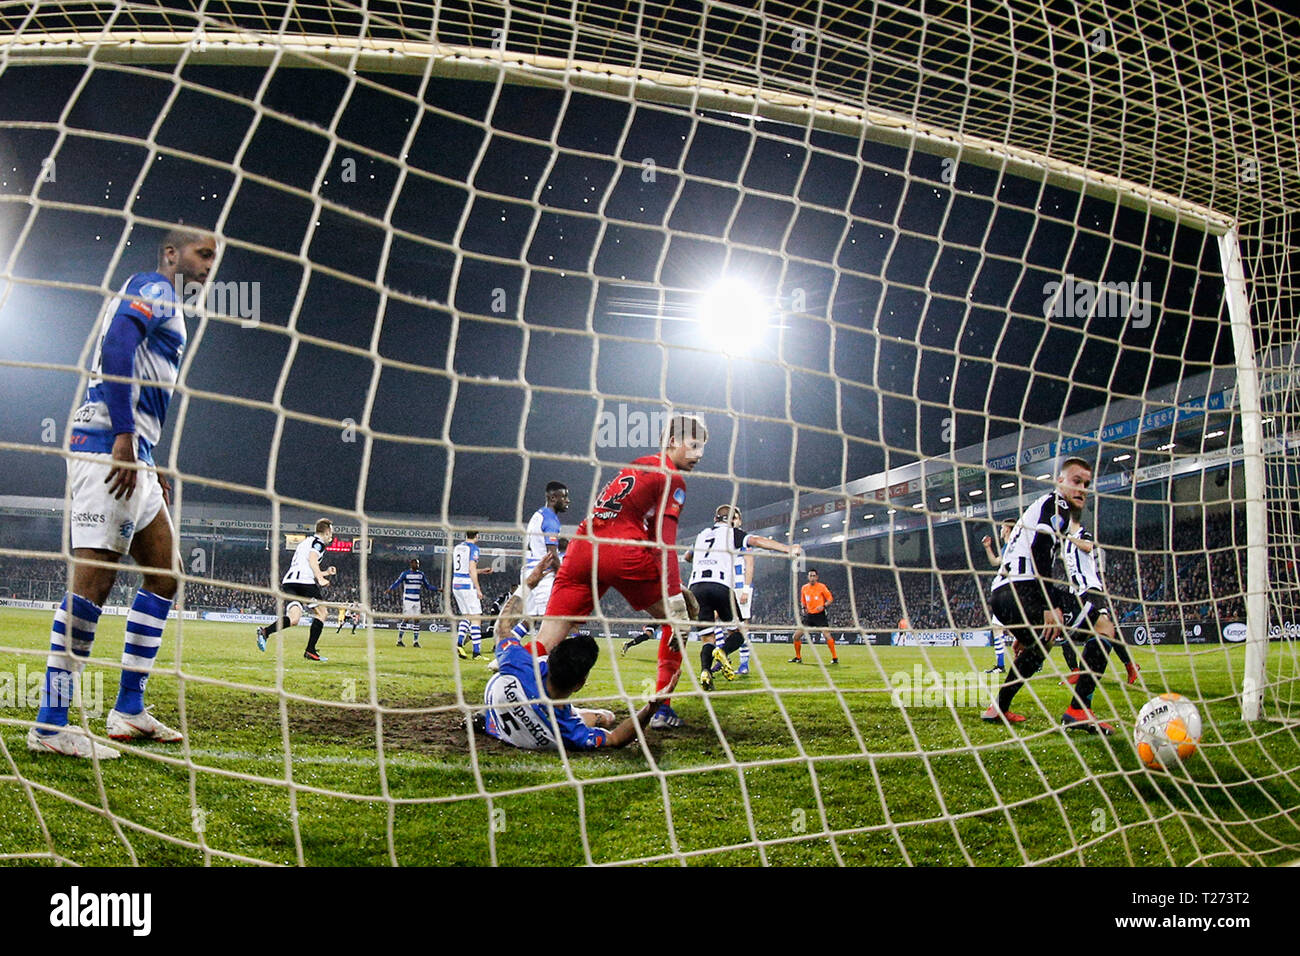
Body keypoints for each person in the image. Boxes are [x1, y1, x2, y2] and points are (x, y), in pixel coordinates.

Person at [30, 226, 216, 759]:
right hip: (106, 446)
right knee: (94, 583)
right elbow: (117, 344)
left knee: (165, 573)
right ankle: (49, 724)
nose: (208, 265)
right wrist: (125, 437)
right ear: (170, 254)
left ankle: (128, 709)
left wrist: (150, 455)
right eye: (201, 254)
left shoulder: (169, 306)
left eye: (213, 258)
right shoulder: (153, 287)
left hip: (138, 454)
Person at [526, 414, 708, 730]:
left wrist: (673, 586)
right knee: (676, 622)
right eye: (693, 445)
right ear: (673, 441)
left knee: (548, 637)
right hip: (622, 549)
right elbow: (664, 541)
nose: (698, 455)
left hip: (584, 545)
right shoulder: (674, 480)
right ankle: (662, 709)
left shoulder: (637, 465)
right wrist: (675, 596)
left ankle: (510, 698)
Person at [981, 458, 1092, 727]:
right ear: (1060, 482)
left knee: (1040, 644)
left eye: (1086, 484)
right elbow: (1041, 548)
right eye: (1076, 481)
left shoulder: (1039, 507)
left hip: (1000, 594)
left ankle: (998, 708)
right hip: (1022, 589)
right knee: (1098, 623)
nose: (1082, 489)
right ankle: (1079, 710)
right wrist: (1049, 604)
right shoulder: (1058, 505)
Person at [687, 505, 801, 689]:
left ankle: (705, 671)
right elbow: (756, 540)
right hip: (720, 585)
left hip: (696, 588)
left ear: (715, 518)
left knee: (707, 638)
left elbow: (687, 556)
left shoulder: (702, 535)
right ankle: (723, 652)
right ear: (731, 520)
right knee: (740, 631)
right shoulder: (732, 533)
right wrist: (787, 548)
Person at [1058, 518, 1140, 731]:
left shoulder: (1081, 533)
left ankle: (1128, 666)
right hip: (1078, 593)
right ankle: (1081, 692)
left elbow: (1088, 546)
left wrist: (1068, 537)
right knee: (1086, 636)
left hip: (1092, 590)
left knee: (1104, 633)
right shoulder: (1065, 543)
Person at [257, 519, 338, 661]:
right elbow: (312, 560)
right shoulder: (318, 543)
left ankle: (265, 632)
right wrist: (320, 578)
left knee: (294, 619)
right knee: (322, 613)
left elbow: (304, 565)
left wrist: (325, 572)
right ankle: (310, 650)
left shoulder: (306, 542)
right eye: (331, 532)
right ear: (326, 532)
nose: (332, 535)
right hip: (304, 583)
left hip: (290, 582)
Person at [981, 519, 1016, 672]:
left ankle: (1030, 660)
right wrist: (988, 548)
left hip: (1009, 590)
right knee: (1000, 627)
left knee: (1012, 628)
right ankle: (1001, 665)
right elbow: (995, 562)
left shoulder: (1014, 546)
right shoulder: (1006, 548)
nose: (1000, 530)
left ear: (1007, 529)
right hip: (1005, 590)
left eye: (1002, 527)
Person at [451, 531, 491, 659]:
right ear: (477, 536)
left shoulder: (458, 547)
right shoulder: (474, 548)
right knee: (476, 618)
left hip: (456, 583)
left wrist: (482, 571)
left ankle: (458, 644)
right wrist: (478, 589)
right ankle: (476, 653)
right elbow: (471, 569)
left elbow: (464, 569)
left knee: (467, 616)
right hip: (467, 585)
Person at [789, 569, 838, 664]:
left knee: (827, 635)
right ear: (808, 577)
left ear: (817, 577)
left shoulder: (822, 587)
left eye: (813, 576)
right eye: (810, 576)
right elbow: (802, 600)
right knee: (796, 636)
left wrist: (823, 606)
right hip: (809, 616)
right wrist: (803, 608)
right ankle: (798, 657)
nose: (812, 578)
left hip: (820, 615)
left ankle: (835, 658)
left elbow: (830, 599)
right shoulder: (804, 588)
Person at [387, 558, 436, 647]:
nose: (417, 565)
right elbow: (397, 582)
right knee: (406, 619)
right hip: (408, 600)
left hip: (417, 600)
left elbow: (427, 586)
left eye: (418, 564)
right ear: (411, 564)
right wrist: (390, 589)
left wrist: (438, 589)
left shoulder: (421, 574)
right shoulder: (405, 574)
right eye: (415, 563)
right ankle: (399, 640)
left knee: (417, 620)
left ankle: (415, 641)